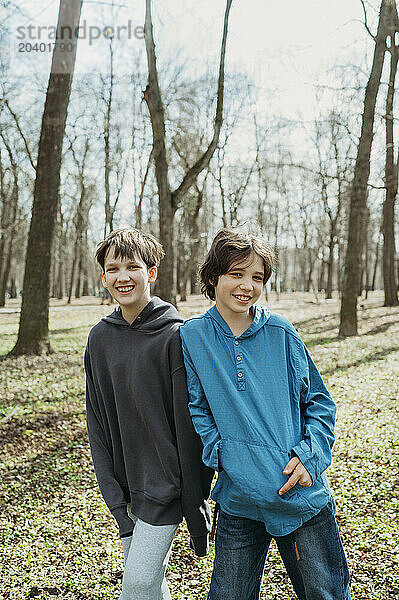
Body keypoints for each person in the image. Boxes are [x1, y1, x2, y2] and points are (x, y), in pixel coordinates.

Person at [179, 228, 351, 600]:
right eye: (236, 274)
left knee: (325, 595)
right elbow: (199, 407)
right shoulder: (192, 336)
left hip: (300, 497)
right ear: (213, 277)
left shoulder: (281, 332)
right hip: (238, 499)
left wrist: (310, 458)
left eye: (257, 277)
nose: (247, 286)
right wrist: (222, 454)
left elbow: (320, 403)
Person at [84, 228, 213, 600]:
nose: (122, 277)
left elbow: (190, 424)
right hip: (125, 487)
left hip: (165, 487)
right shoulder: (99, 339)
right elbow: (98, 419)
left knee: (137, 585)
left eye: (132, 267)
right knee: (151, 586)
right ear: (104, 276)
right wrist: (111, 489)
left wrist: (193, 496)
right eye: (113, 269)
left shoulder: (175, 336)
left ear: (151, 272)